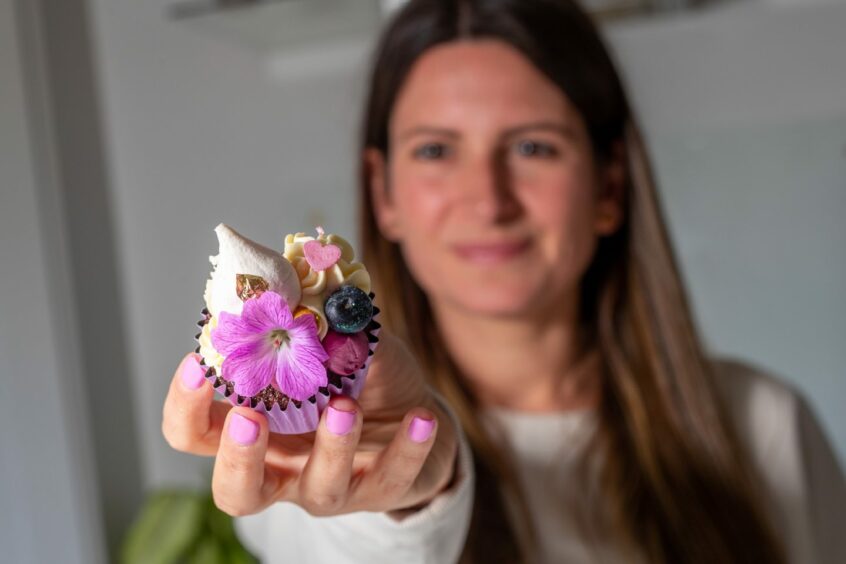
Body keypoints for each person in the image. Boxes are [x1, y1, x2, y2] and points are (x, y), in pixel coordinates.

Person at [162, 0, 846, 562]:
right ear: (384, 194)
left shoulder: (766, 424)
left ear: (609, 186)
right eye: (435, 150)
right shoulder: (307, 458)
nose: (488, 200)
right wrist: (412, 485)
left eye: (533, 147)